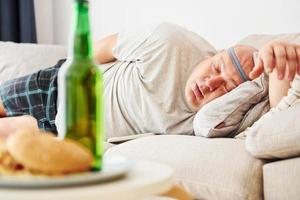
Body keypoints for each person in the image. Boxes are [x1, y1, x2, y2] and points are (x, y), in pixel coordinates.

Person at [0, 23, 299, 140]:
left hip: (68, 137)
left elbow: (273, 125)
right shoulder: (170, 43)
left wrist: (277, 70)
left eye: (225, 87)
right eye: (216, 68)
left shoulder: (223, 117)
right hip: (56, 90)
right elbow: (103, 49)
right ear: (215, 53)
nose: (211, 84)